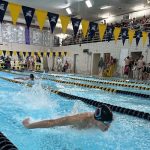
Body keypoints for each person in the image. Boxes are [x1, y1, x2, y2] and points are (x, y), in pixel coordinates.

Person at [22, 105, 113, 132]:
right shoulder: (81, 119)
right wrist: (29, 125)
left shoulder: (102, 120)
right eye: (106, 123)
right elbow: (52, 122)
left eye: (109, 122)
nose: (108, 126)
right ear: (98, 120)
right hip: (69, 127)